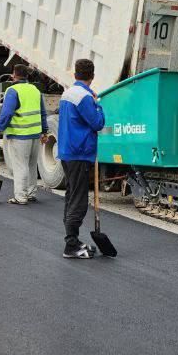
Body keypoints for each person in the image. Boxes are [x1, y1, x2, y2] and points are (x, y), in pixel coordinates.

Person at [57, 58, 105, 259]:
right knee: (78, 199)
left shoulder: (67, 94)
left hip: (67, 152)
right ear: (92, 77)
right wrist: (98, 105)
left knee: (71, 195)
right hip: (80, 153)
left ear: (75, 74)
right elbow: (97, 123)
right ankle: (71, 244)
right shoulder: (85, 97)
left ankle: (72, 240)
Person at [0, 64, 49, 205]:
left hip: (20, 134)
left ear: (14, 75)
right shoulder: (35, 90)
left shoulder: (12, 90)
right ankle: (30, 193)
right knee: (31, 165)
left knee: (20, 166)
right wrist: (45, 131)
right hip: (35, 134)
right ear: (27, 75)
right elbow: (43, 112)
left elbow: (7, 114)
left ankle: (20, 197)